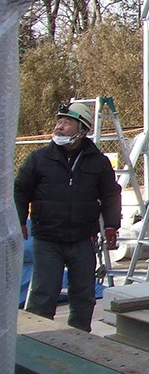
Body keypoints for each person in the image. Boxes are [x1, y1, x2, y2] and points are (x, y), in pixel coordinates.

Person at [15, 101, 121, 332]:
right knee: (43, 295)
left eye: (67, 122)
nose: (59, 127)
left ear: (82, 130)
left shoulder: (98, 162)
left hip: (83, 239)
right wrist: (20, 220)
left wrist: (112, 225)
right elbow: (20, 190)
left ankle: (79, 341)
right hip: (48, 239)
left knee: (84, 296)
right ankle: (38, 342)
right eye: (59, 122)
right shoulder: (39, 159)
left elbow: (111, 194)